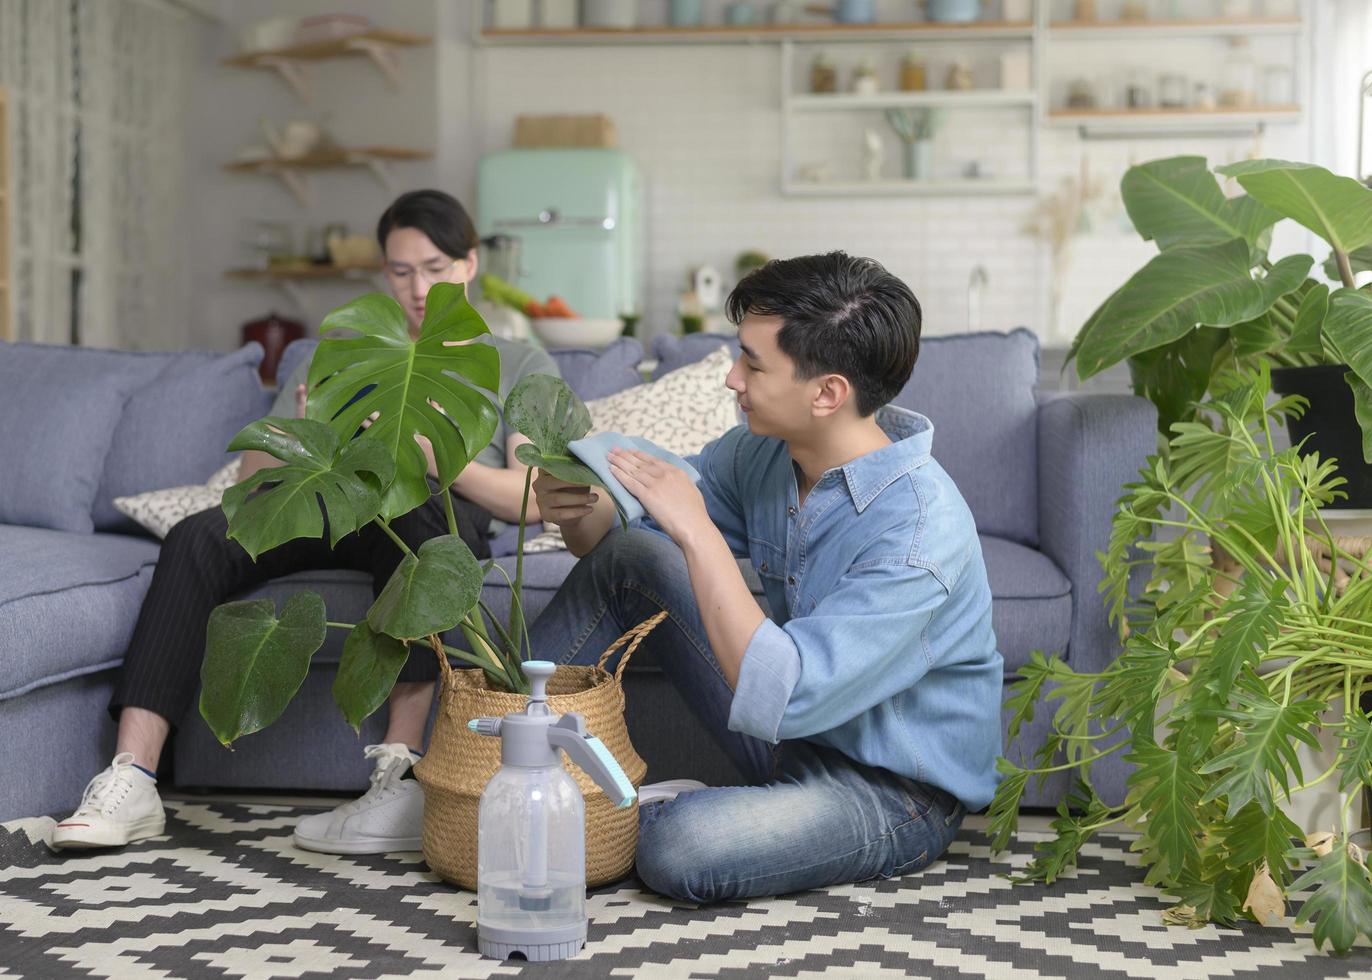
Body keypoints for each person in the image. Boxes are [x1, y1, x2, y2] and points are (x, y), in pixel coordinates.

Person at [51, 190, 558, 854]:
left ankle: (397, 774)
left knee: (425, 532)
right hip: (334, 501)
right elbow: (253, 487)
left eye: (433, 267)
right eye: (400, 271)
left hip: (433, 511)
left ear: (468, 265)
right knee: (198, 537)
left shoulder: (515, 361)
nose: (416, 287)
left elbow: (532, 498)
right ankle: (133, 779)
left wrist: (438, 457)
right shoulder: (353, 347)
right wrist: (295, 431)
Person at [529, 252, 1002, 903]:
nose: (731, 378)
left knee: (682, 849)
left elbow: (791, 693)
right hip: (788, 739)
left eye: (752, 363)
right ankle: (505, 761)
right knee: (633, 558)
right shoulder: (767, 453)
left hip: (889, 791)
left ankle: (628, 814)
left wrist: (695, 529)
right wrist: (583, 504)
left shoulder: (921, 536)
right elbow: (629, 528)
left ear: (827, 393)